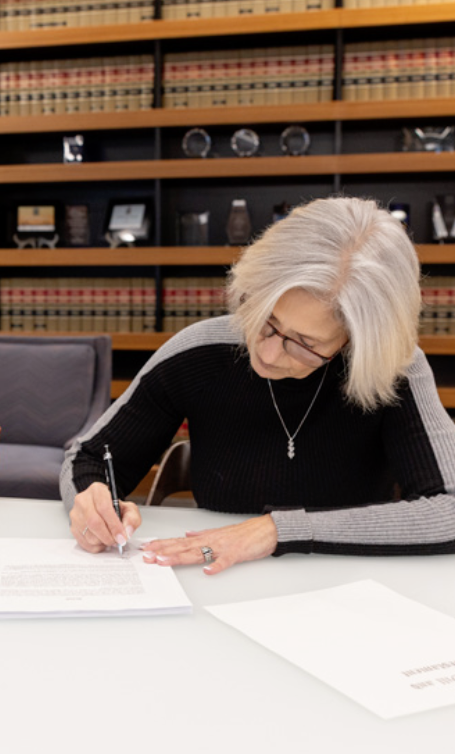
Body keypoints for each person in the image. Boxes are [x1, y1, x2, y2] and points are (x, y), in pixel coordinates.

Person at [61, 196, 455, 572]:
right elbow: (89, 458)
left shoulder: (393, 369)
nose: (266, 353)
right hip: (217, 577)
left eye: (305, 344)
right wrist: (90, 501)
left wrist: (274, 531)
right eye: (265, 318)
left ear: (355, 342)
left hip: (351, 581)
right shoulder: (199, 352)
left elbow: (449, 508)